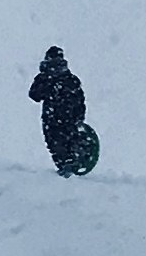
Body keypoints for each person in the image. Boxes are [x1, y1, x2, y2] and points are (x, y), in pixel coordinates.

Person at [29, 45, 99, 176]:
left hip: (57, 118)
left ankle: (66, 169)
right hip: (64, 118)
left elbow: (35, 95)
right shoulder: (69, 79)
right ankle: (67, 168)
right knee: (61, 144)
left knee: (57, 145)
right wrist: (79, 118)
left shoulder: (63, 79)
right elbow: (35, 95)